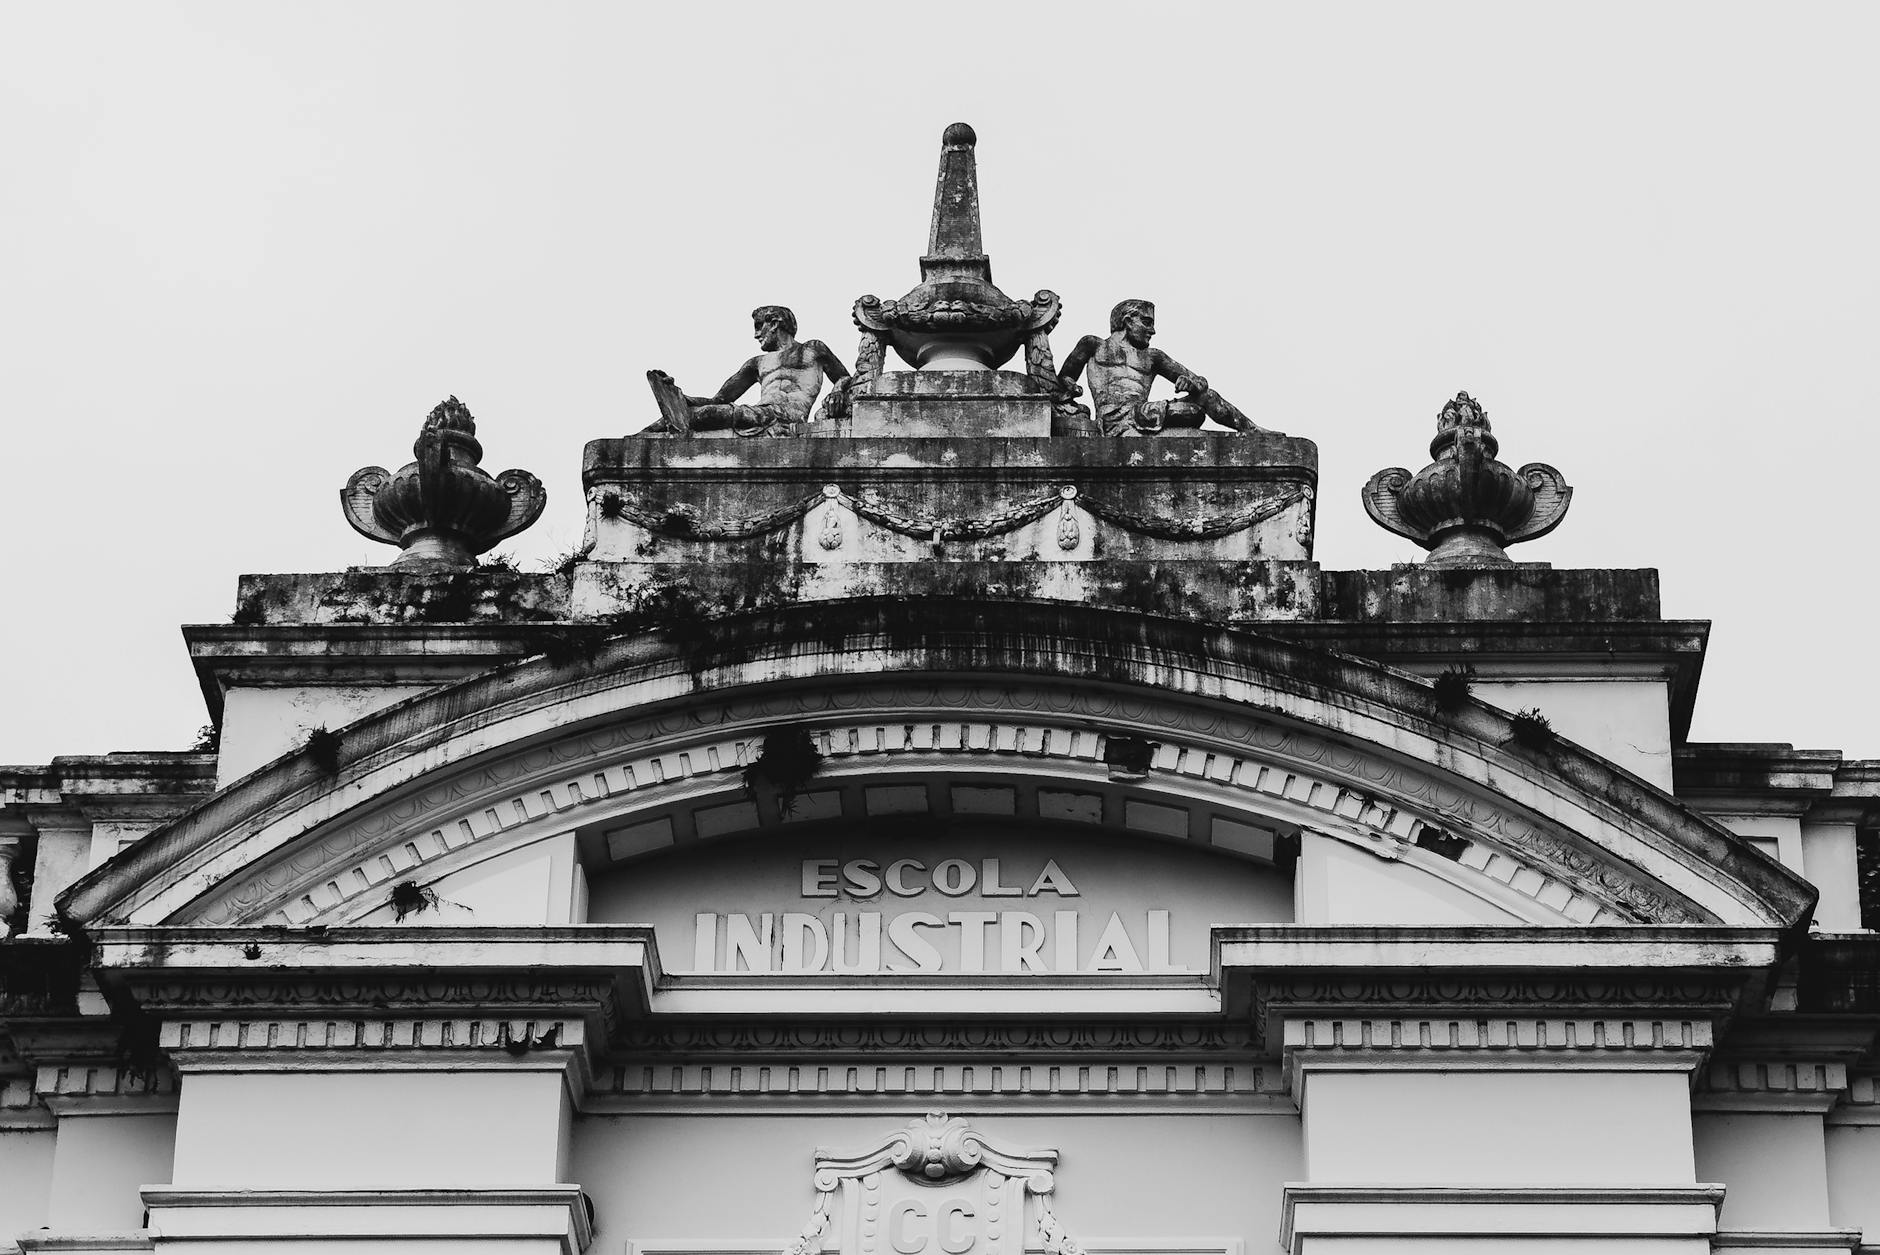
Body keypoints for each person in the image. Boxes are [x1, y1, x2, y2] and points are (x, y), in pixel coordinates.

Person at [1056, 300, 1267, 436]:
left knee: (1206, 399)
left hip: (1144, 413)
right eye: (1147, 323)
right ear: (1128, 321)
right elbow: (1064, 377)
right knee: (1192, 414)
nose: (1153, 330)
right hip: (1113, 419)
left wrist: (1191, 384)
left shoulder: (1153, 356)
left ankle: (1252, 430)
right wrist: (1072, 387)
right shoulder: (1093, 345)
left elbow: (1201, 383)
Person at [645, 307, 851, 437]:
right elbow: (720, 399)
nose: (755, 335)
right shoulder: (756, 363)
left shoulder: (812, 348)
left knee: (704, 415)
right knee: (683, 415)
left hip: (785, 415)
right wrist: (680, 396)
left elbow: (844, 376)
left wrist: (838, 391)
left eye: (759, 326)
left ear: (775, 324)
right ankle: (643, 437)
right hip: (758, 413)